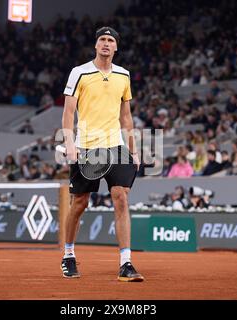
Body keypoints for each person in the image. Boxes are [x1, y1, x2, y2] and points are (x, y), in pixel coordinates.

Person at [61, 27, 143, 281]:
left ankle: (126, 263)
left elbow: (126, 116)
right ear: (95, 45)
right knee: (80, 203)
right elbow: (68, 112)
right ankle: (68, 255)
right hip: (87, 147)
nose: (106, 44)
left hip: (115, 146)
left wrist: (133, 148)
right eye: (102, 40)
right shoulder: (80, 73)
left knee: (120, 197)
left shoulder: (124, 75)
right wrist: (70, 143)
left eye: (110, 41)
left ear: (116, 47)